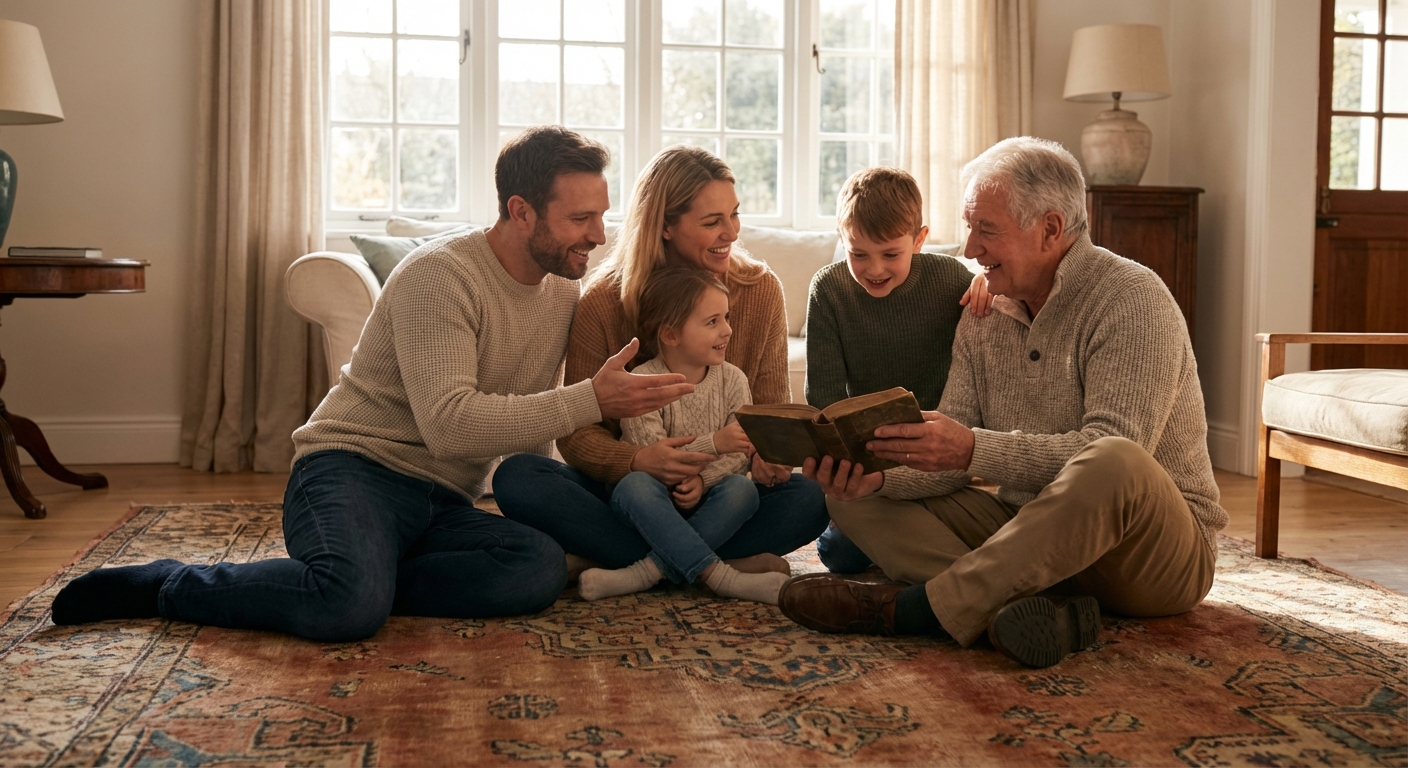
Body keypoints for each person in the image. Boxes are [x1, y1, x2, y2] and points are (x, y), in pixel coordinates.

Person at [51, 127, 694, 642]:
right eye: (581, 218)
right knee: (344, 610)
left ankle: (366, 576)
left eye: (601, 216)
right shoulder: (439, 275)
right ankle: (168, 584)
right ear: (521, 212)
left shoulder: (563, 284)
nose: (598, 235)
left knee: (533, 570)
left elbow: (523, 419)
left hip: (444, 497)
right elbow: (450, 424)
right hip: (353, 468)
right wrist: (591, 398)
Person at [778, 137, 1227, 669]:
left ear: (1051, 229)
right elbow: (947, 459)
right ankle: (1024, 606)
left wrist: (971, 449)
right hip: (1031, 536)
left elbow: (1107, 461)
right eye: (969, 228)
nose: (968, 249)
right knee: (854, 497)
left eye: (985, 230)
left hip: (1149, 556)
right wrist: (881, 478)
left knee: (1113, 457)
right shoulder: (981, 314)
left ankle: (924, 608)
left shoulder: (1131, 298)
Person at [496, 145, 828, 577]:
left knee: (810, 498)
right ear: (665, 226)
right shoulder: (604, 302)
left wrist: (770, 457)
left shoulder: (759, 289)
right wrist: (637, 462)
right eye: (712, 222)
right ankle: (720, 563)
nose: (731, 232)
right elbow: (577, 438)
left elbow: (768, 415)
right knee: (519, 477)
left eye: (734, 214)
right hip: (633, 496)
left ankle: (639, 566)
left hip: (723, 491)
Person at [805, 166, 991, 573]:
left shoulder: (949, 280)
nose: (874, 269)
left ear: (919, 240)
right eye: (858, 254)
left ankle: (942, 561)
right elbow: (825, 399)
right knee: (838, 554)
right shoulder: (829, 290)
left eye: (891, 254)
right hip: (870, 457)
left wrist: (985, 283)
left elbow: (994, 314)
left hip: (938, 454)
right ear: (842, 240)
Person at [579, 267, 789, 605]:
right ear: (671, 335)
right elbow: (650, 452)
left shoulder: (733, 380)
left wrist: (704, 482)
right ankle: (723, 577)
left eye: (727, 317)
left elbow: (740, 452)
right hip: (651, 502)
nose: (728, 330)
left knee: (744, 489)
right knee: (633, 486)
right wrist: (714, 443)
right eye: (712, 322)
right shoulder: (643, 380)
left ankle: (645, 572)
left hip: (711, 502)